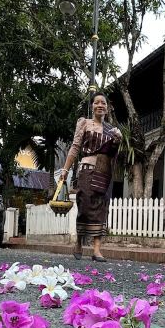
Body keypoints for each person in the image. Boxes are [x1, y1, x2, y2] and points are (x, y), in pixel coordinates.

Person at [60, 92, 122, 262]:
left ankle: (96, 250)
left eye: (103, 103)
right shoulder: (84, 123)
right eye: (97, 103)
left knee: (102, 207)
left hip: (104, 171)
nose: (100, 105)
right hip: (87, 170)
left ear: (107, 109)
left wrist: (118, 141)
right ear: (92, 106)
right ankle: (79, 242)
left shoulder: (112, 130)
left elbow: (113, 154)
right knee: (84, 205)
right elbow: (75, 148)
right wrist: (65, 170)